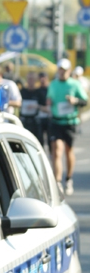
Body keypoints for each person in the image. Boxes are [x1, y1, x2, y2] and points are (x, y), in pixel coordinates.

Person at [46, 58, 88, 195]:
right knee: (56, 150)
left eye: (64, 70)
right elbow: (49, 99)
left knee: (69, 151)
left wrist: (75, 100)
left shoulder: (75, 84)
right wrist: (48, 103)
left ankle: (68, 178)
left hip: (70, 122)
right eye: (60, 69)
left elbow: (84, 101)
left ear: (69, 71)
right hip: (56, 121)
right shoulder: (53, 84)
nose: (62, 72)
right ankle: (57, 182)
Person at [19, 71, 41, 138]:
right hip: (24, 121)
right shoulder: (22, 92)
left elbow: (46, 108)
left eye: (32, 79)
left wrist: (37, 106)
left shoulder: (39, 93)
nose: (30, 81)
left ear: (35, 80)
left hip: (35, 122)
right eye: (29, 79)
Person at [36, 71, 51, 151]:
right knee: (40, 139)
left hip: (50, 117)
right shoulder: (38, 90)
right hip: (40, 117)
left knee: (50, 140)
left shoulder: (50, 89)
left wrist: (41, 107)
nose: (42, 79)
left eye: (44, 77)